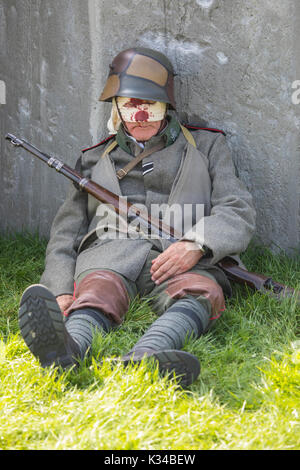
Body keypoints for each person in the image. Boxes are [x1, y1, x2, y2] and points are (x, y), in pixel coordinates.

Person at [18, 48, 256, 387]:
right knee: (96, 292)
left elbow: (237, 209)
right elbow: (65, 235)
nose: (140, 115)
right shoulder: (93, 159)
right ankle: (66, 348)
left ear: (167, 106)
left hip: (181, 259)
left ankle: (148, 354)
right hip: (111, 255)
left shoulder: (207, 146)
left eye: (150, 105)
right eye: (130, 105)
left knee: (201, 291)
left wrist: (197, 244)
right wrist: (59, 289)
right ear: (116, 109)